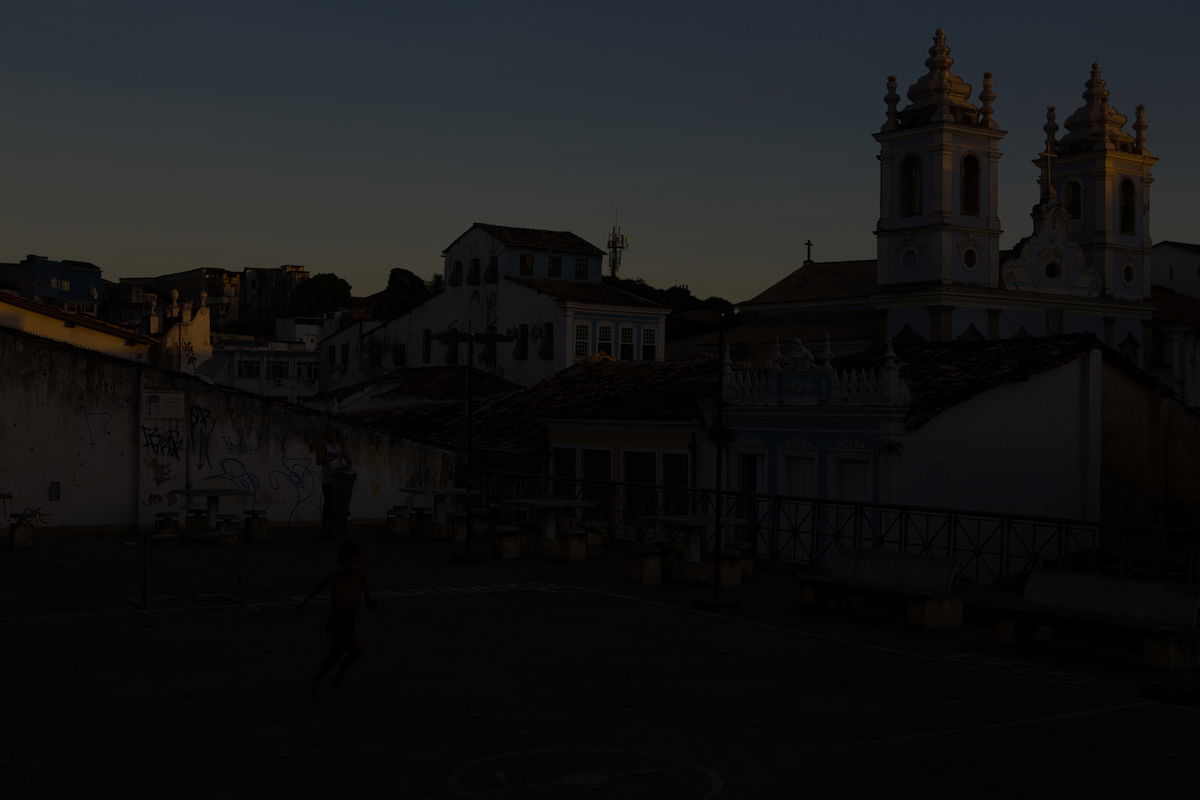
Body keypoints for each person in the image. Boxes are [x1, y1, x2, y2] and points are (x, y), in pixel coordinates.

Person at [298, 541, 377, 699]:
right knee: (352, 651)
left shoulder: (361, 577)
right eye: (349, 562)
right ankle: (334, 679)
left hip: (349, 623)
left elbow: (369, 599)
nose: (352, 566)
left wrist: (372, 604)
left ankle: (319, 679)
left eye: (356, 562)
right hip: (336, 622)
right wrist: (305, 602)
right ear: (341, 562)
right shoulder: (335, 576)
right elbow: (318, 587)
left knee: (337, 654)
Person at [318, 429, 354, 538]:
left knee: (339, 504)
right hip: (328, 481)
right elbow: (318, 461)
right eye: (329, 435)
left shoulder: (340, 448)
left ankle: (337, 527)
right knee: (328, 503)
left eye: (333, 435)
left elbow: (349, 461)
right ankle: (325, 527)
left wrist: (347, 466)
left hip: (340, 481)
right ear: (326, 437)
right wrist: (331, 458)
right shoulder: (324, 447)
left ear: (336, 436)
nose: (332, 437)